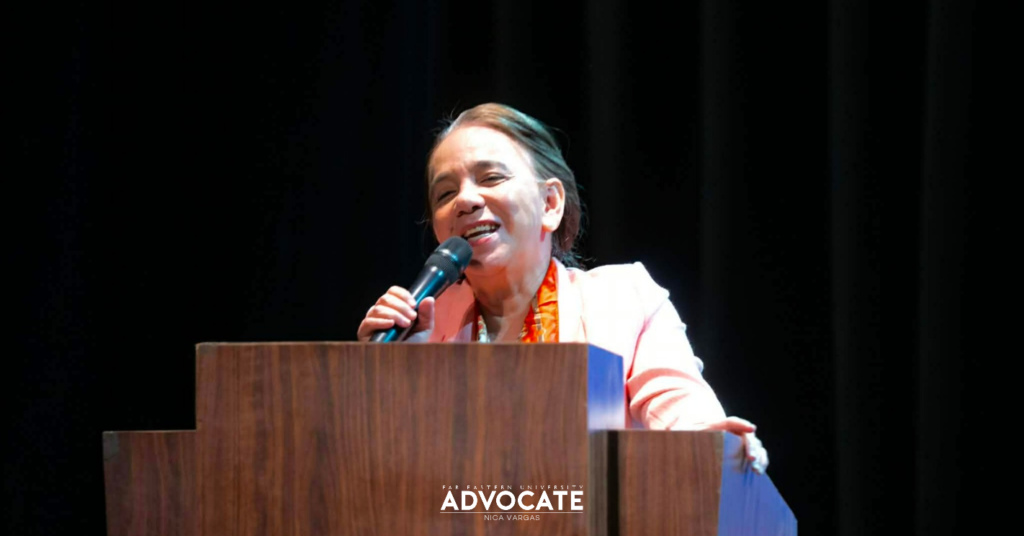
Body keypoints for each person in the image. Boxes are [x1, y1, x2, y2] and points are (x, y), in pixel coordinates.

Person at [357, 103, 768, 473]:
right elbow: (381, 476)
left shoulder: (623, 299)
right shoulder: (420, 328)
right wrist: (392, 377)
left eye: (491, 177)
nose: (465, 200)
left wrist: (711, 442)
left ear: (550, 204)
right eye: (445, 193)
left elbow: (679, 406)